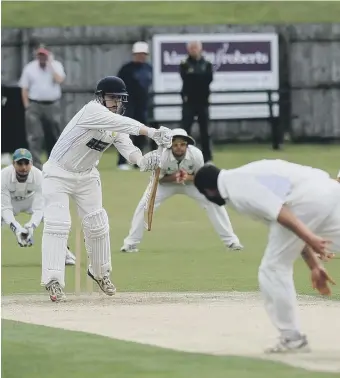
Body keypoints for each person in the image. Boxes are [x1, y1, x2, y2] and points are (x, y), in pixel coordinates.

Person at [41, 76, 172, 302]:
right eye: (112, 98)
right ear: (100, 97)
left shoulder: (114, 124)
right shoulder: (92, 112)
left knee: (98, 224)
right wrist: (152, 132)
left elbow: (129, 150)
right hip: (58, 173)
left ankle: (100, 273)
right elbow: (125, 125)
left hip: (87, 177)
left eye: (120, 99)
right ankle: (53, 280)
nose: (116, 103)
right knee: (58, 223)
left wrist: (145, 161)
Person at [194, 160, 339, 353]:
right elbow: (287, 226)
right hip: (327, 190)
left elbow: (281, 212)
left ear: (209, 191)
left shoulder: (237, 189)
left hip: (307, 201)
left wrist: (310, 237)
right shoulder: (242, 176)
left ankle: (292, 338)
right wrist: (314, 265)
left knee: (273, 268)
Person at [120, 128, 242, 253]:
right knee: (145, 205)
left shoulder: (196, 155)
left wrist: (187, 177)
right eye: (175, 144)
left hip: (191, 184)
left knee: (214, 201)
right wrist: (173, 177)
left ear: (187, 145)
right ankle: (130, 243)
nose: (179, 147)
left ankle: (231, 241)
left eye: (183, 144)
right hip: (164, 184)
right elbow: (158, 179)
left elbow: (201, 177)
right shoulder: (161, 156)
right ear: (170, 145)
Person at [1, 148, 75, 265]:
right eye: (20, 163)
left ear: (31, 163)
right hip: (11, 202)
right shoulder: (3, 176)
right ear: (13, 164)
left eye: (27, 163)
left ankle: (63, 252)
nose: (24, 167)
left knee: (55, 217)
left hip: (31, 201)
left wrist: (31, 226)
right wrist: (17, 229)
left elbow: (39, 208)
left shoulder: (39, 176)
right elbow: (5, 209)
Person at [18, 45, 66, 170]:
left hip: (52, 104)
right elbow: (24, 88)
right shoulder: (30, 68)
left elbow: (59, 80)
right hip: (35, 105)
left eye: (44, 55)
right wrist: (27, 106)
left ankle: (54, 163)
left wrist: (50, 65)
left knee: (54, 134)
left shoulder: (56, 66)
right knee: (35, 136)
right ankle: (37, 165)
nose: (42, 58)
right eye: (40, 55)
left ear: (49, 55)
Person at [116, 41, 153, 170]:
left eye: (143, 54)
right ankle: (122, 161)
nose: (141, 56)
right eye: (138, 54)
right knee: (125, 132)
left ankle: (138, 161)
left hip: (142, 105)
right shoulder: (126, 69)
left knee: (141, 132)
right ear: (134, 54)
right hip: (128, 104)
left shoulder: (149, 68)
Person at [179, 41, 213, 163]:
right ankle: (183, 157)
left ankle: (207, 158)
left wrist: (195, 75)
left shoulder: (207, 64)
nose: (193, 50)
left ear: (200, 49)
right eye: (191, 48)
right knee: (185, 131)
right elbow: (187, 79)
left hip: (203, 101)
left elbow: (208, 79)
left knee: (205, 131)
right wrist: (197, 76)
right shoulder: (184, 64)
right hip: (189, 101)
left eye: (196, 48)